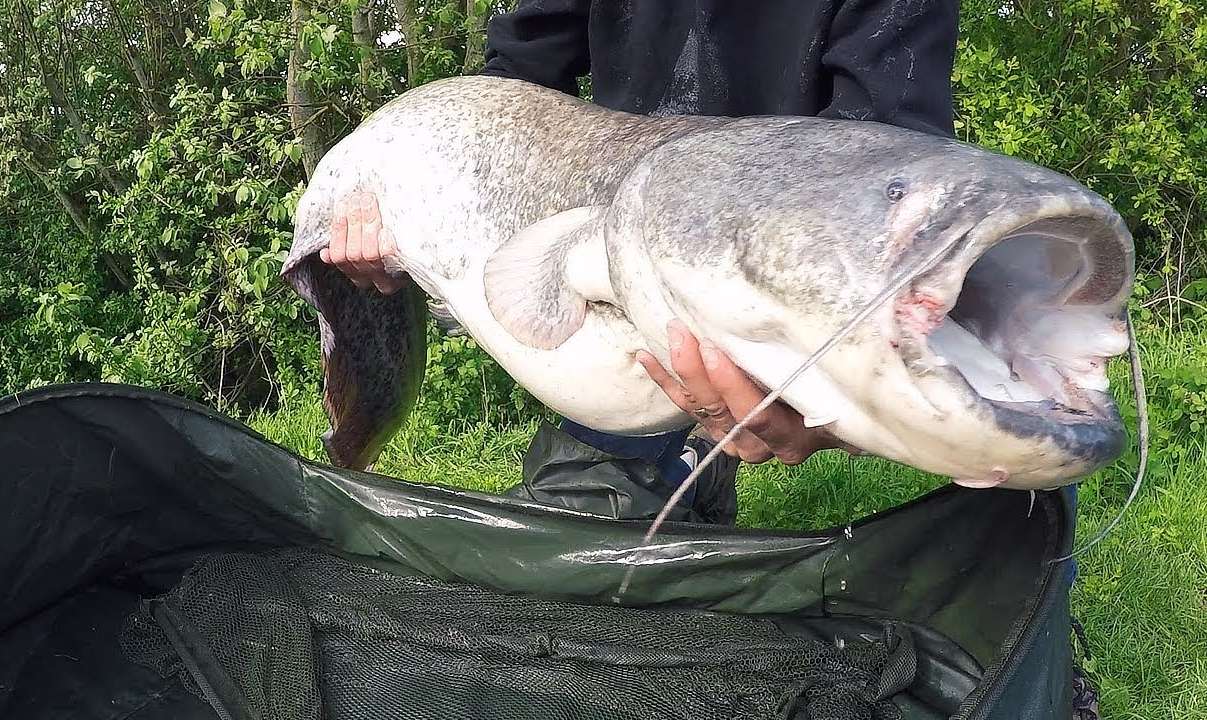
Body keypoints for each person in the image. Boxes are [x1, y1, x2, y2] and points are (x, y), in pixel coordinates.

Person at [320, 0, 962, 525]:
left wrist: (829, 387)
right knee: (582, 557)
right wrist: (410, 192)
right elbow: (517, 76)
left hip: (767, 270)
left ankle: (693, 473)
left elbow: (887, 143)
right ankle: (677, 476)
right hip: (610, 260)